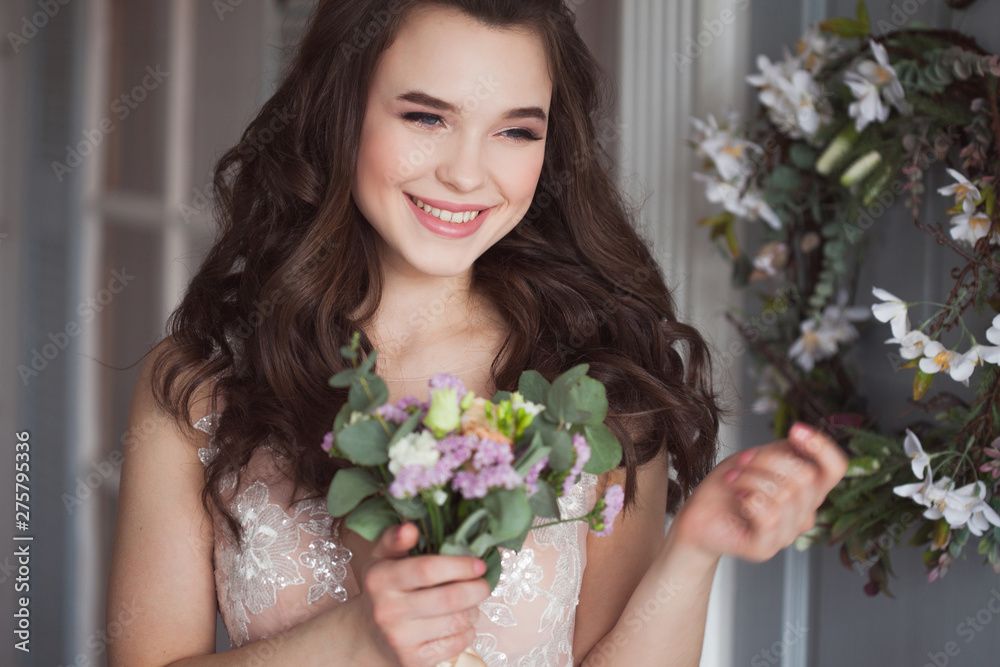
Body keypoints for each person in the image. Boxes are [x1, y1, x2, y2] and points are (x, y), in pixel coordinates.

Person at [106, 1, 848, 665]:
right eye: (426, 116)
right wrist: (355, 639)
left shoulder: (602, 382)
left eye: (515, 130)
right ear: (342, 113)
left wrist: (697, 548)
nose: (467, 174)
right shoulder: (202, 384)